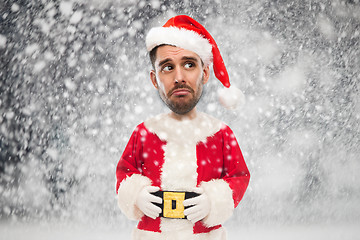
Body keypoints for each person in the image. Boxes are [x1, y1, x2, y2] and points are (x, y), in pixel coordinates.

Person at [115, 15, 250, 240]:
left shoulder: (220, 134)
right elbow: (125, 173)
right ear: (155, 79)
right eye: (167, 67)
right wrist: (136, 194)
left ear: (205, 73)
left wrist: (213, 200)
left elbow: (239, 176)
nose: (179, 77)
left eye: (189, 64)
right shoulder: (144, 133)